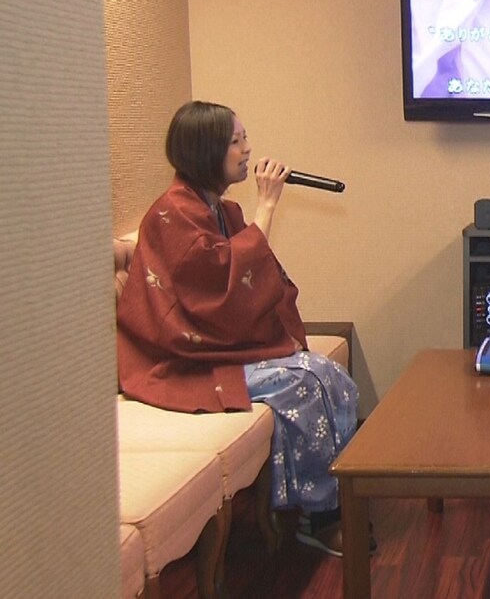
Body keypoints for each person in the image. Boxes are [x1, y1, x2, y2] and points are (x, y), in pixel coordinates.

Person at [116, 100, 361, 557]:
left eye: (245, 138)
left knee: (332, 376)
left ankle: (334, 503)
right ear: (205, 151)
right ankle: (314, 514)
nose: (248, 149)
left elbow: (246, 282)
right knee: (304, 382)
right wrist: (266, 205)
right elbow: (223, 287)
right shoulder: (171, 214)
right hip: (182, 360)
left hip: (217, 344)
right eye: (235, 141)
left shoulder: (220, 210)